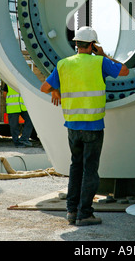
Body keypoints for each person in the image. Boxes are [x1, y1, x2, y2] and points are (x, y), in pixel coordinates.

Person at [40, 26, 129, 226]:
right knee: (90, 170)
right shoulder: (100, 62)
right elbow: (125, 70)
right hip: (93, 127)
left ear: (76, 44)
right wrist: (105, 55)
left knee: (76, 167)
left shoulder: (63, 64)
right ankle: (85, 214)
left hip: (72, 127)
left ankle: (71, 212)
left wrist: (56, 91)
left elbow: (44, 87)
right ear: (92, 45)